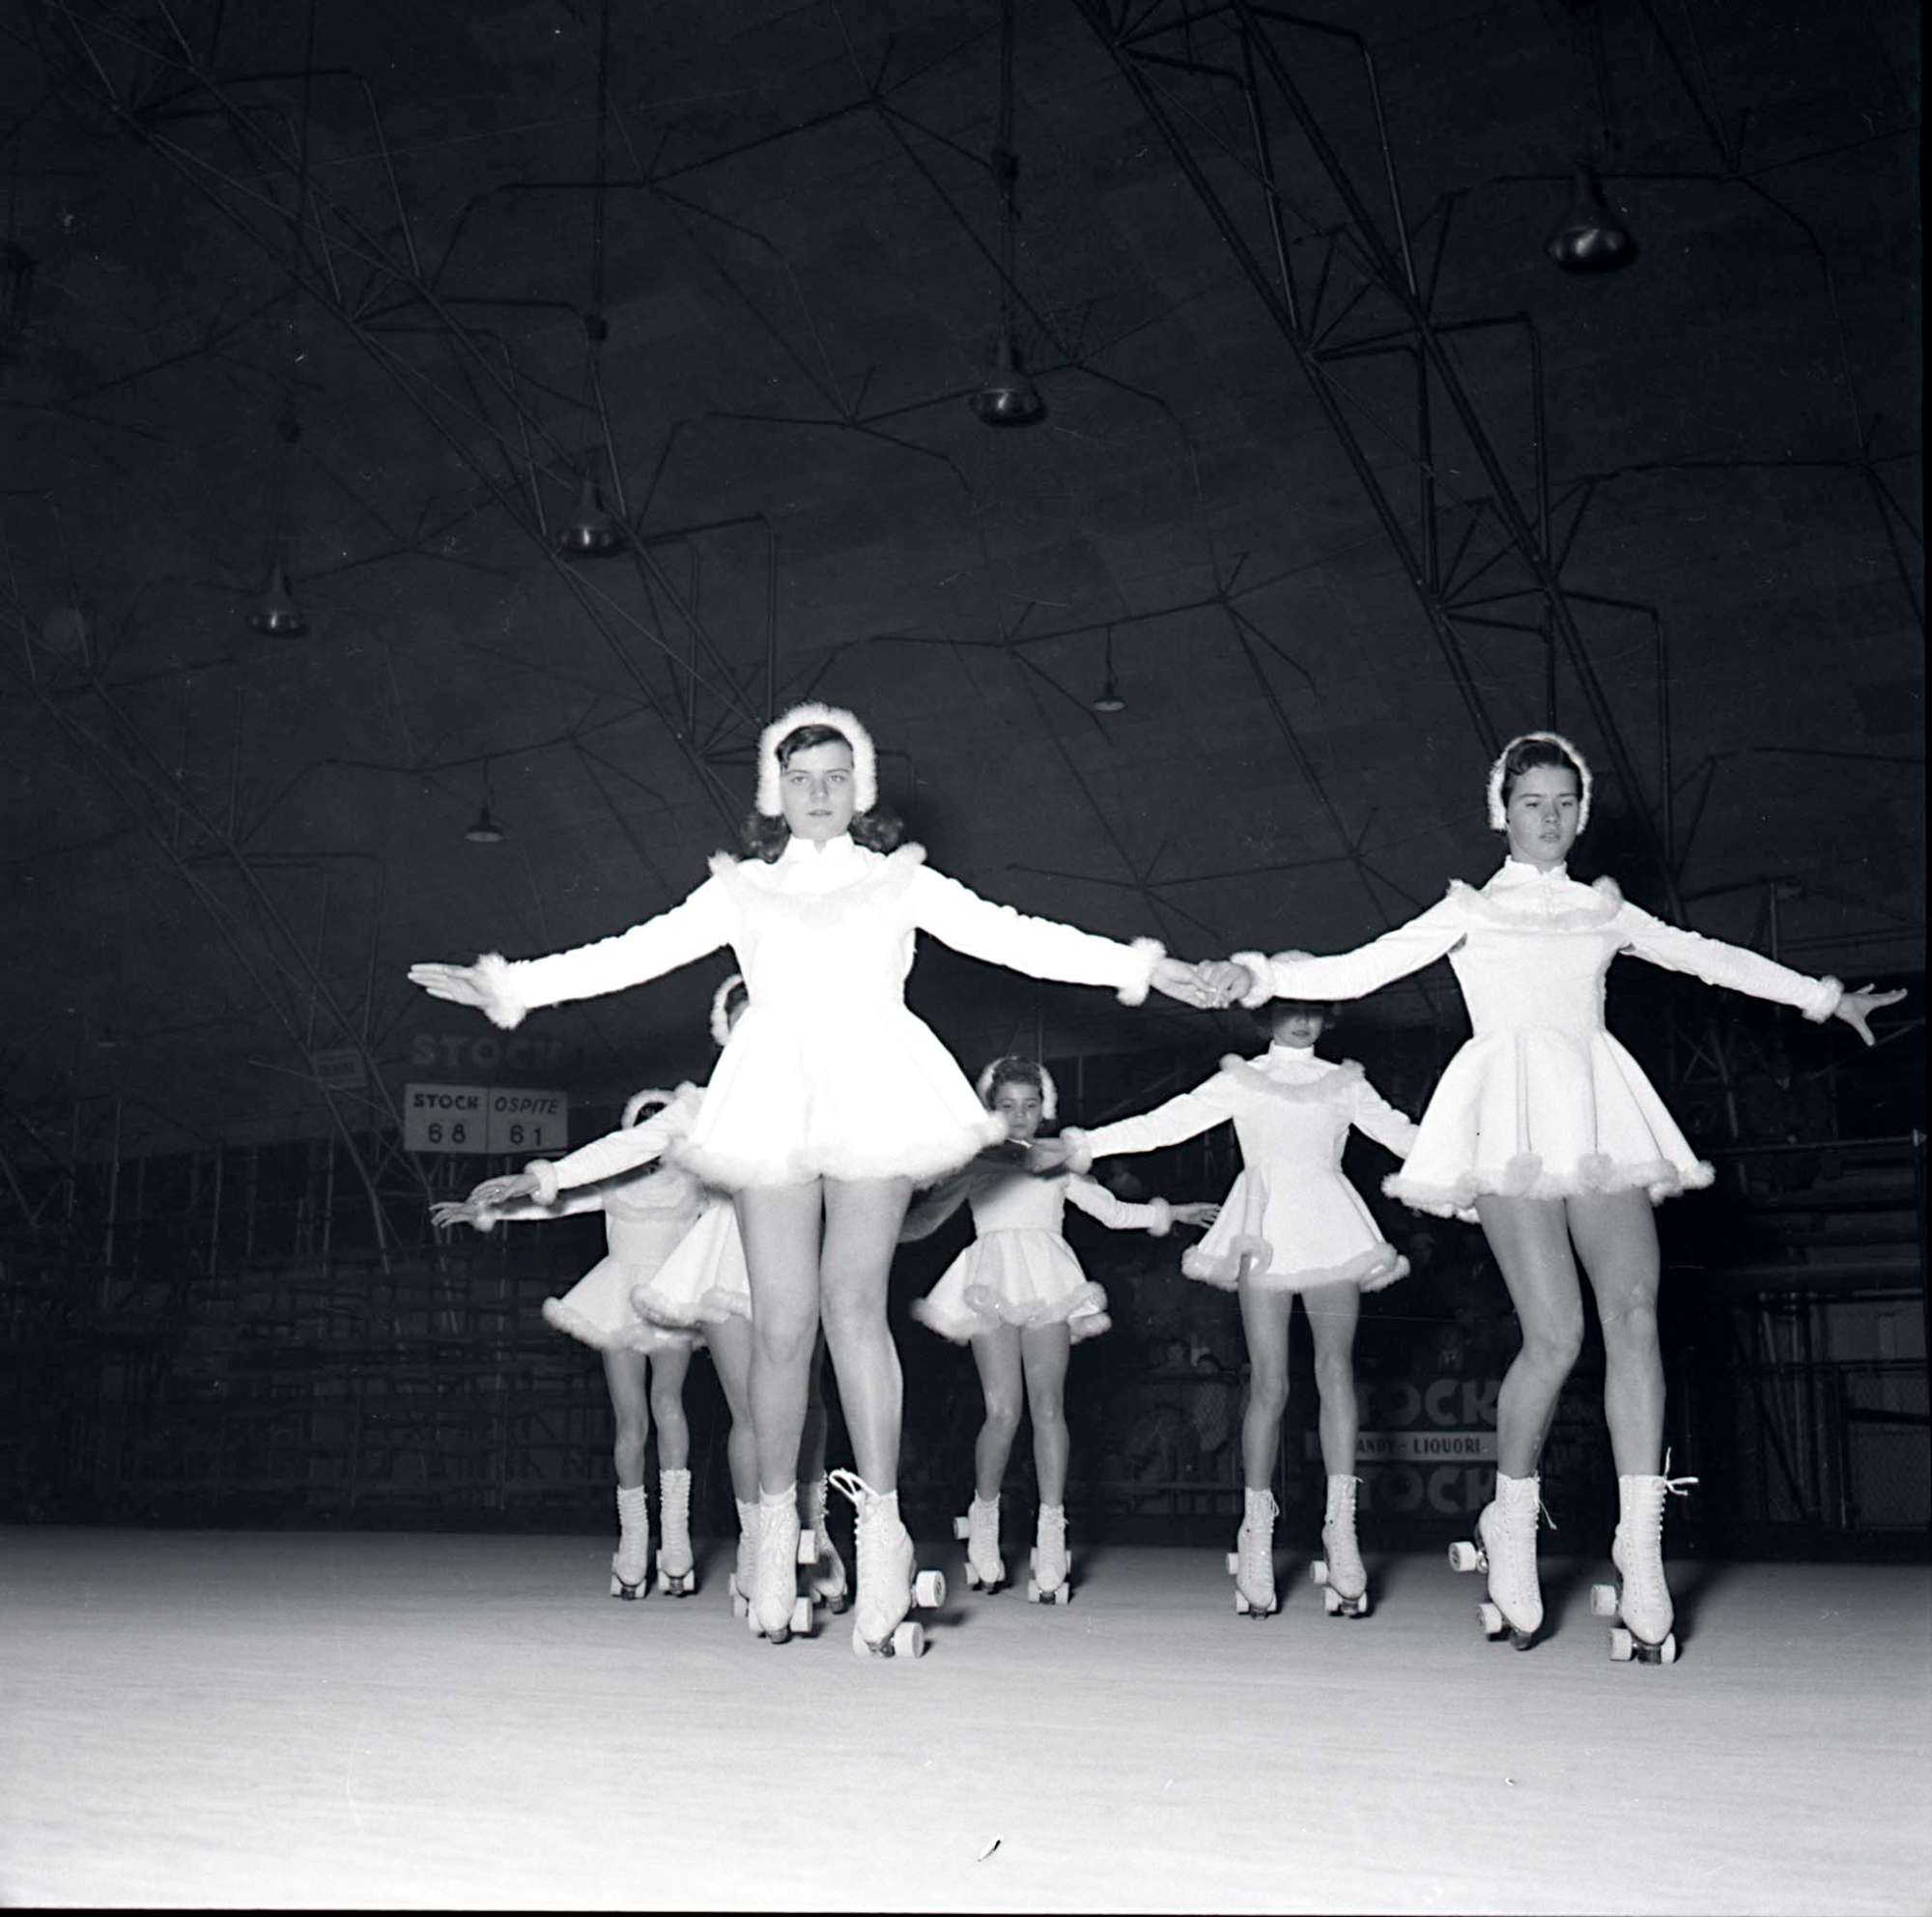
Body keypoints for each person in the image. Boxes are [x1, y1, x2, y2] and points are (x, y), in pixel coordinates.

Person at [410, 701, 1220, 1656]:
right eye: (800, 779)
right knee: (782, 1326)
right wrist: (513, 984)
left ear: (860, 787)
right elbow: (635, 950)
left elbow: (1017, 934)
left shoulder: (898, 881)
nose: (819, 792)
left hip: (876, 1092)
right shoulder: (742, 891)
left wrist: (1146, 968)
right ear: (776, 793)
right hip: (770, 1100)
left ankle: (881, 1540)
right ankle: (770, 1537)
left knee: (853, 1307)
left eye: (836, 776)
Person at [1199, 730, 1902, 1660]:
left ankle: (1639, 1550)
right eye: (1533, 803)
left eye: (1566, 803)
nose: (1551, 818)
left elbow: (1704, 954)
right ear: (1502, 812)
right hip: (1507, 1121)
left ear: (1583, 810)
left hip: (1599, 1114)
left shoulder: (1602, 910)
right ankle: (1511, 1521)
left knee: (1637, 1312)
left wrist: (1821, 997)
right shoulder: (1469, 912)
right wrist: (1260, 975)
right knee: (1558, 1335)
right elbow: (1359, 968)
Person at [1035, 1000, 1417, 1620]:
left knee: (1335, 1371)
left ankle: (1341, 1531)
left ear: (1327, 1018)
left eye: (1313, 1011)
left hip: (1332, 1225)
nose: (1302, 1022)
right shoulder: (1244, 1079)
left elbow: (1405, 1136)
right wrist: (1086, 1144)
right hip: (1262, 1225)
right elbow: (1167, 1122)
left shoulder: (1345, 1082)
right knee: (1269, 1382)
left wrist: (1478, 1160)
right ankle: (1256, 1533)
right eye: (1289, 1011)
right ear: (1265, 1017)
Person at [902, 1055, 1216, 1603]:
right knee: (1003, 1411)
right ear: (990, 1110)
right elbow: (925, 1220)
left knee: (1048, 1406)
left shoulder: (1059, 1162)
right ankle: (984, 1520)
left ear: (1045, 1109)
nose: (1019, 1116)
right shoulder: (973, 1164)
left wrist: (1172, 1212)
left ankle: (1051, 1533)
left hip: (1048, 1280)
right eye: (1007, 1106)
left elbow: (1112, 1212)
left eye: (1029, 1106)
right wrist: (859, 1225)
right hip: (989, 1280)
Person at [431, 1088, 704, 1602]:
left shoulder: (696, 1180)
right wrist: (488, 1211)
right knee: (635, 1418)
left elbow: (733, 1222)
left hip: (670, 1294)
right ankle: (636, 1541)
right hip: (622, 1296)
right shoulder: (621, 1179)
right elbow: (556, 1204)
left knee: (663, 1406)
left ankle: (674, 1539)